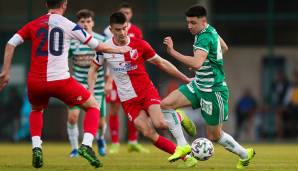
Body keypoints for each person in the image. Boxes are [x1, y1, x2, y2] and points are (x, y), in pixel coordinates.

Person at [0, 0, 130, 168]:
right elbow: (96, 45)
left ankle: (37, 147)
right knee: (93, 106)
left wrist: (6, 71)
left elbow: (11, 43)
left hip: (36, 82)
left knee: (36, 110)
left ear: (46, 4)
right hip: (61, 81)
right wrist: (120, 49)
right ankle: (86, 145)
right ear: (65, 4)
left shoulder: (32, 24)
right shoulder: (69, 25)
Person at [88, 12, 197, 168]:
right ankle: (187, 159)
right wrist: (90, 91)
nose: (122, 33)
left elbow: (161, 63)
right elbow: (93, 69)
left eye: (124, 28)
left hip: (146, 92)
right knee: (148, 133)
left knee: (159, 124)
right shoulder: (104, 48)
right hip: (127, 99)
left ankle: (179, 116)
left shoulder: (140, 44)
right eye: (118, 30)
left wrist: (184, 78)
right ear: (111, 29)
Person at [161, 5, 255, 169]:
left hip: (213, 91)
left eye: (193, 22)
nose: (189, 26)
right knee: (166, 105)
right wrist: (206, 64)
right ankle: (183, 145)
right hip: (199, 85)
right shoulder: (210, 30)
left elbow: (197, 62)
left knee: (215, 135)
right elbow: (224, 48)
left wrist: (172, 52)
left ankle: (245, 154)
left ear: (203, 21)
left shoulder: (204, 37)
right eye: (188, 22)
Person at [103, 2, 146, 154]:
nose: (125, 15)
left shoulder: (136, 31)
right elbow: (106, 57)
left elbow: (141, 53)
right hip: (115, 75)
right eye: (123, 12)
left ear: (131, 14)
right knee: (114, 109)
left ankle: (133, 141)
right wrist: (108, 80)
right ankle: (114, 142)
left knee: (135, 110)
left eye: (128, 13)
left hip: (132, 76)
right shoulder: (108, 32)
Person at [66, 9, 107, 158]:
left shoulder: (100, 40)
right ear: (78, 24)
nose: (85, 24)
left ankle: (101, 139)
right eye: (82, 22)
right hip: (78, 85)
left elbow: (109, 62)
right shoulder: (72, 43)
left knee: (100, 123)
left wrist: (108, 82)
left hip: (98, 85)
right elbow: (64, 60)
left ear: (93, 23)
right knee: (72, 117)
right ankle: (74, 148)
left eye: (88, 21)